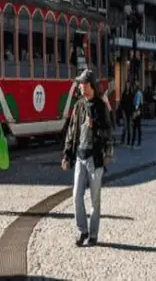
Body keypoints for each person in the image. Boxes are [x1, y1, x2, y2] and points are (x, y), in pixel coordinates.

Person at [62, 69, 113, 247]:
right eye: (80, 84)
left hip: (95, 158)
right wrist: (67, 154)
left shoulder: (100, 106)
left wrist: (96, 126)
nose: (80, 87)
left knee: (95, 199)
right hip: (80, 156)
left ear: (91, 85)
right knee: (76, 195)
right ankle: (81, 230)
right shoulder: (78, 106)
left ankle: (93, 234)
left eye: (83, 84)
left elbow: (108, 132)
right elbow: (71, 131)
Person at [119, 82, 135, 147]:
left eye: (128, 85)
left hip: (130, 113)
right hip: (125, 113)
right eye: (126, 85)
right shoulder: (124, 94)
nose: (127, 87)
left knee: (129, 128)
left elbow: (132, 104)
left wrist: (133, 113)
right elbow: (122, 104)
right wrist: (123, 112)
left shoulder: (131, 94)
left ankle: (128, 141)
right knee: (125, 127)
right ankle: (123, 140)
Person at [130, 82, 143, 148]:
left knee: (136, 127)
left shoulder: (137, 94)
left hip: (137, 111)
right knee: (137, 127)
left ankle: (134, 141)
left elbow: (137, 104)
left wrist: (135, 112)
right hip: (138, 111)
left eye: (135, 86)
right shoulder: (138, 93)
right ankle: (137, 141)